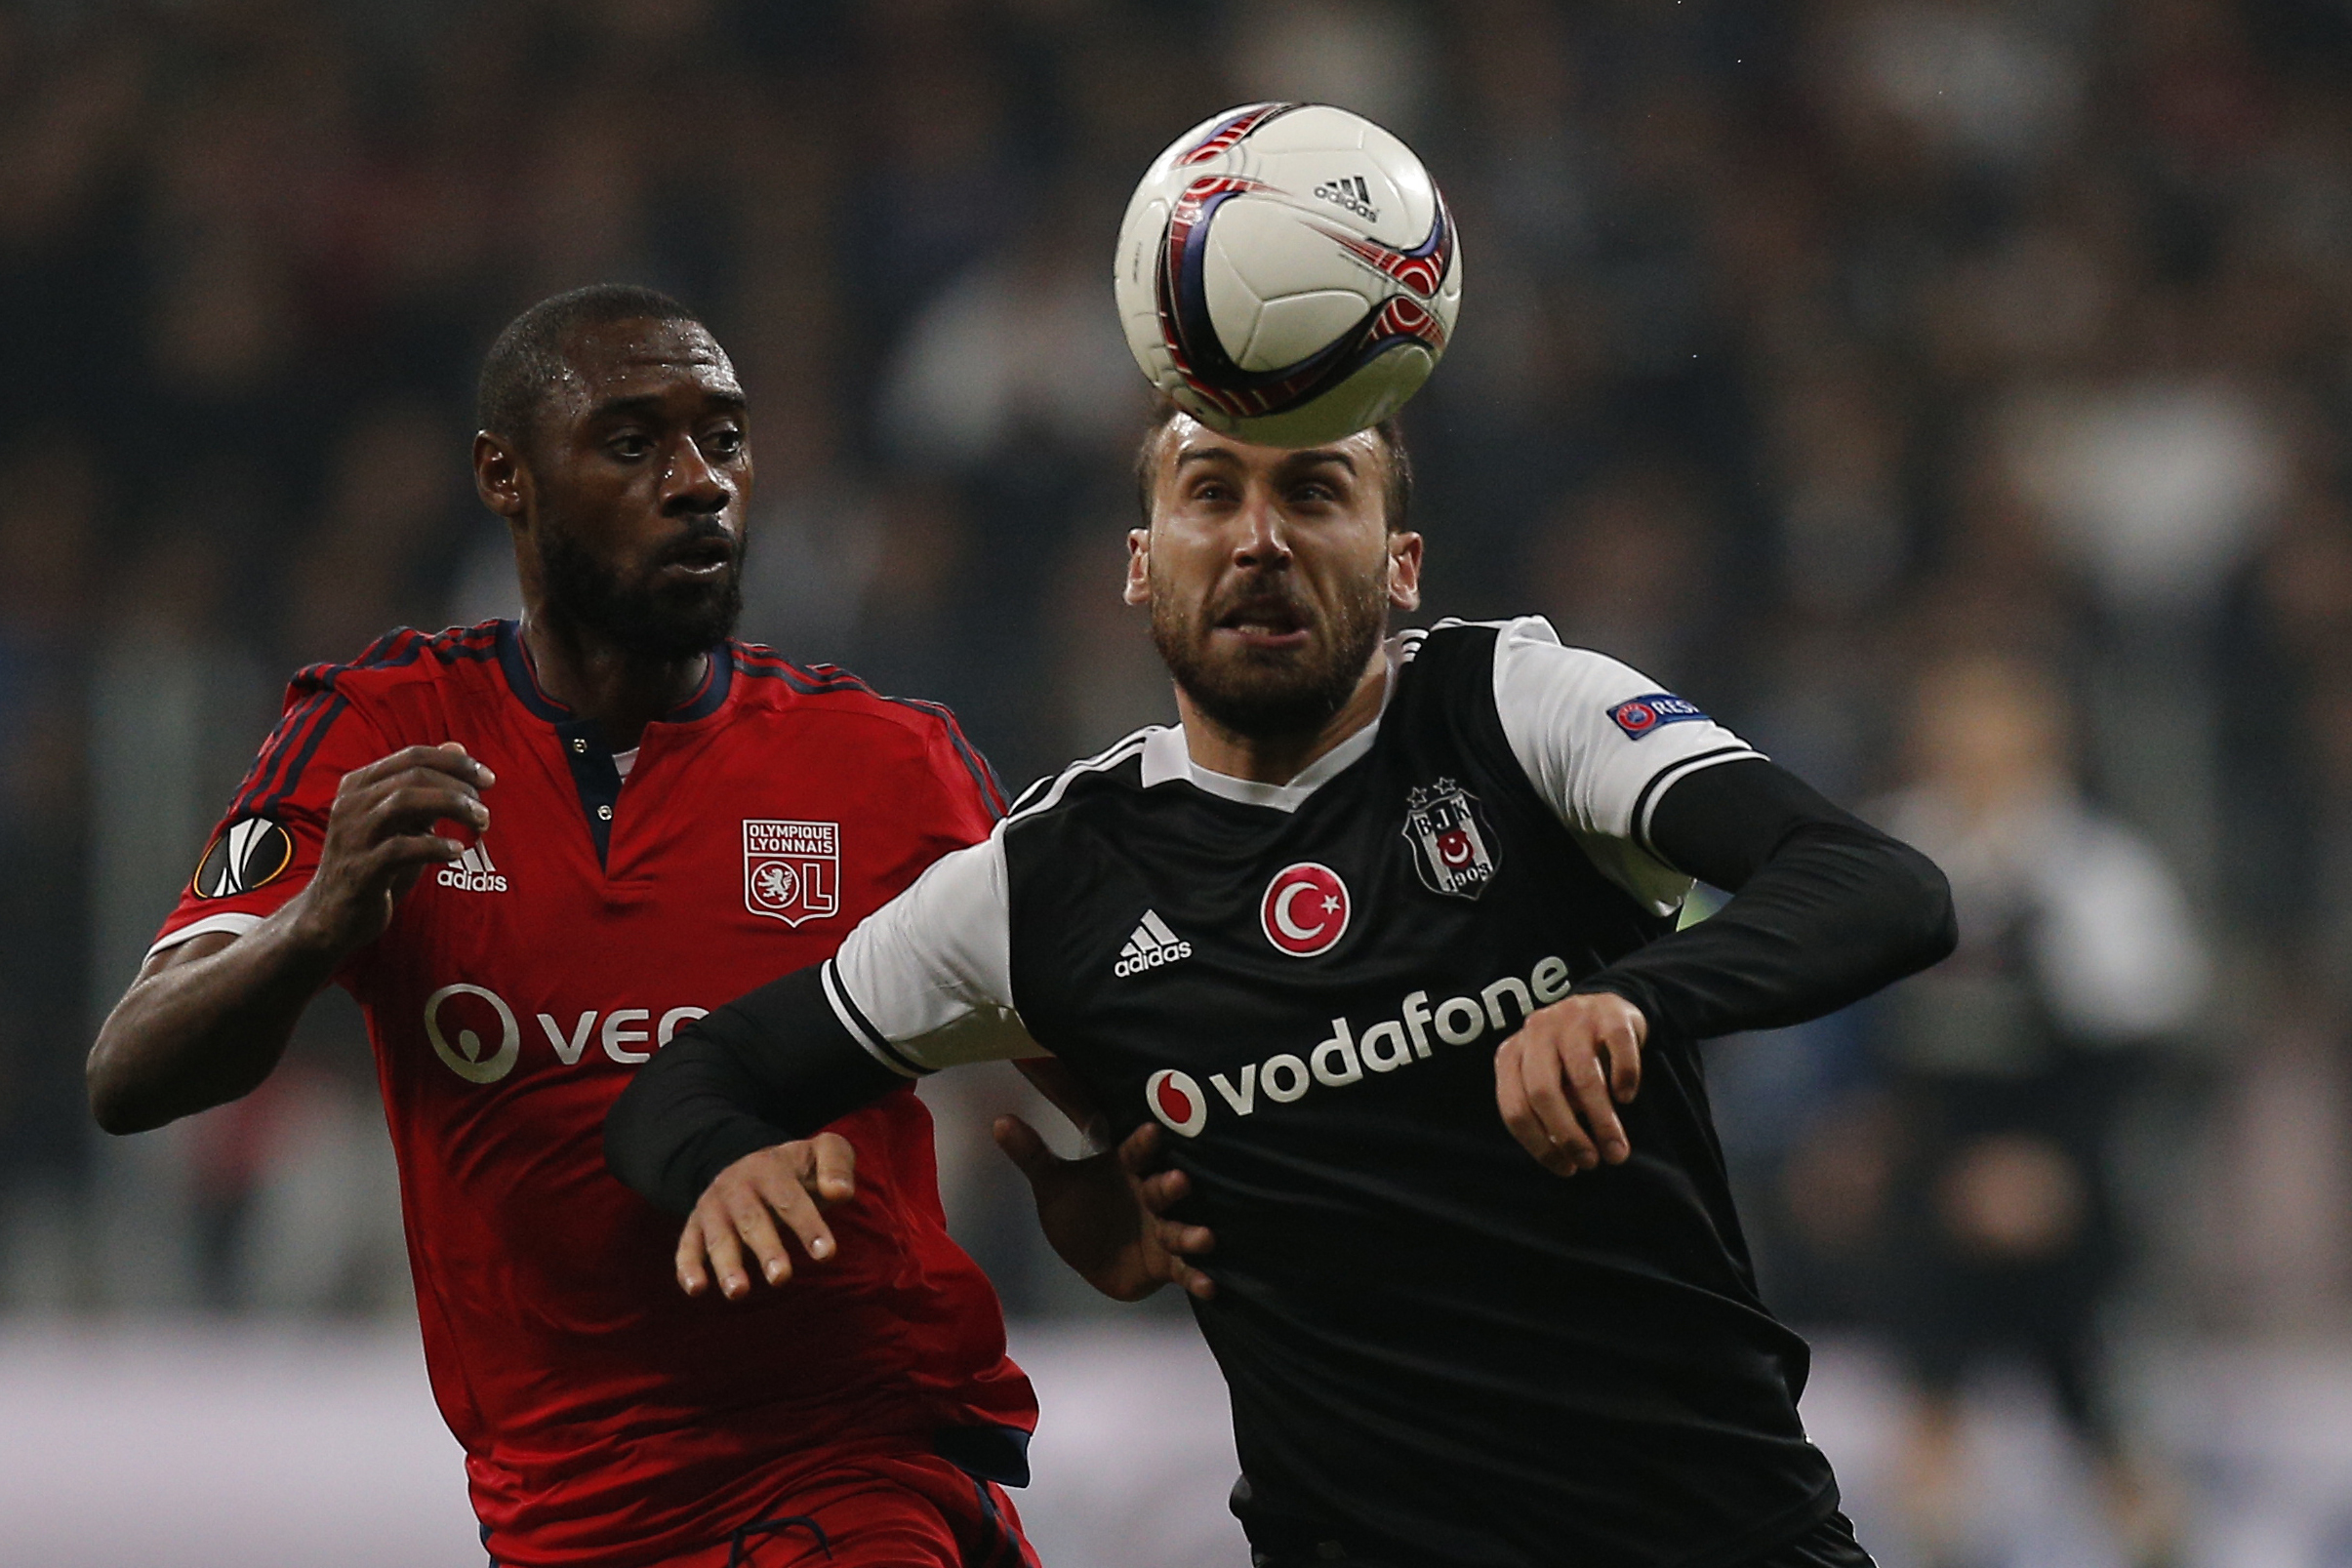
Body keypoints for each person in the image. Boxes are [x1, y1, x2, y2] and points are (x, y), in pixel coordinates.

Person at [607, 407, 1959, 1568]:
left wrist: (1637, 999)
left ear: (1399, 563)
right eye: (1211, 495)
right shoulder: (1046, 882)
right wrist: (722, 1162)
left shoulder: (1511, 708)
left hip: (1721, 1535)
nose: (1259, 537)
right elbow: (693, 1082)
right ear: (1142, 567)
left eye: (1315, 491)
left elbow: (1876, 887)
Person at [86, 285, 1051, 1568]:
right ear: (506, 475)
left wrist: (1136, 1182)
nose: (700, 480)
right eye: (635, 441)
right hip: (561, 1517)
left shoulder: (887, 766)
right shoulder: (376, 733)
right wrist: (315, 927)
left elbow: (1107, 1067)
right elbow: (131, 1070)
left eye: (724, 437)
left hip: (847, 1466)